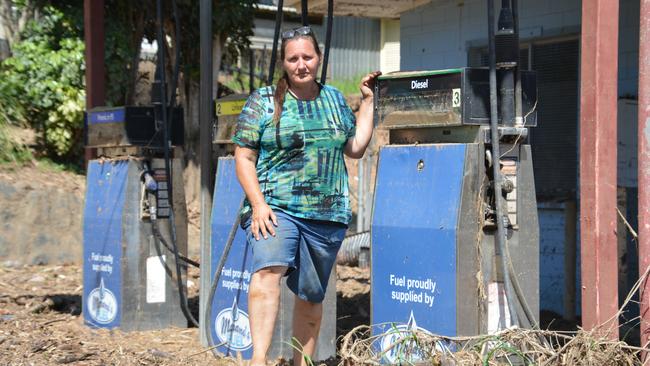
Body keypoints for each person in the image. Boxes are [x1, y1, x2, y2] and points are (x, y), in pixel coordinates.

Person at [232, 25, 381, 366]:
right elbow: (244, 157)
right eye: (293, 58)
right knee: (268, 269)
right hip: (275, 207)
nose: (301, 64)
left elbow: (355, 146)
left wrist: (369, 102)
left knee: (311, 297)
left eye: (307, 57)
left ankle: (302, 362)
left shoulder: (333, 100)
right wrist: (257, 204)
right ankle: (258, 360)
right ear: (283, 63)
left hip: (325, 213)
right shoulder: (263, 102)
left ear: (319, 58)